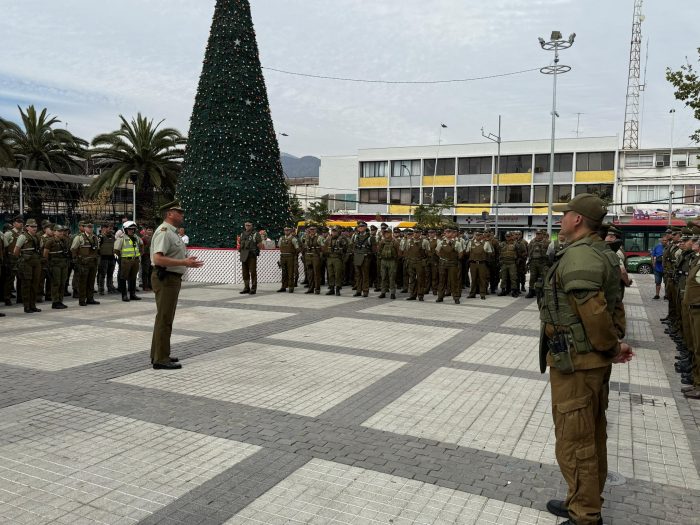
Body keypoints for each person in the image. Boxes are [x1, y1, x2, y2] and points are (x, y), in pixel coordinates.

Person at [539, 193, 632, 525]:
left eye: (565, 214)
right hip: (584, 360)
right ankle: (581, 499)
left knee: (575, 440)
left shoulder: (580, 258)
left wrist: (611, 347)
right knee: (589, 435)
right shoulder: (595, 252)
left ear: (577, 219)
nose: (560, 219)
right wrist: (613, 345)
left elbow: (594, 314)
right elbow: (613, 305)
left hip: (578, 363)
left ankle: (585, 516)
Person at [150, 200, 203, 370]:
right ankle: (160, 359)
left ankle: (159, 354)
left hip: (171, 279)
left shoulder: (173, 233)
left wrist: (184, 262)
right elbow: (157, 258)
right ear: (169, 213)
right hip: (166, 278)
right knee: (164, 319)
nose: (182, 215)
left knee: (165, 318)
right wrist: (184, 262)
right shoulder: (165, 232)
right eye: (179, 212)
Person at [14, 218, 42, 313]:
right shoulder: (23, 237)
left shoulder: (38, 237)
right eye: (32, 226)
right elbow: (16, 250)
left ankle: (33, 305)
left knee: (35, 285)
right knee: (26, 285)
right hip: (26, 263)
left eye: (35, 226)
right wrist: (20, 260)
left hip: (36, 263)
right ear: (27, 227)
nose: (34, 228)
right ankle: (26, 306)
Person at [70, 221, 100, 306]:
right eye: (88, 227)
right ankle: (82, 300)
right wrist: (76, 260)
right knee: (83, 282)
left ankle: (90, 298)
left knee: (91, 281)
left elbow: (97, 249)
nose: (90, 229)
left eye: (91, 227)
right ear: (84, 228)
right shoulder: (79, 237)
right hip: (83, 263)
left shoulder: (95, 237)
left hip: (93, 263)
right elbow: (73, 249)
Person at [43, 224, 71, 309]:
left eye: (62, 231)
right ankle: (55, 301)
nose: (61, 233)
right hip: (55, 265)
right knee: (56, 283)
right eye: (59, 231)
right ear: (54, 232)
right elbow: (45, 254)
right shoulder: (50, 241)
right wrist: (47, 265)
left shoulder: (64, 240)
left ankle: (60, 300)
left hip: (63, 264)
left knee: (62, 283)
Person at [114, 221, 143, 302]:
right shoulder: (122, 238)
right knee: (123, 277)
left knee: (133, 278)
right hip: (126, 260)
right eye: (129, 229)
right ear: (125, 230)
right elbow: (116, 250)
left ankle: (132, 294)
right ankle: (124, 295)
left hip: (135, 260)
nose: (132, 231)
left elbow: (141, 244)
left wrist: (140, 253)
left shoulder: (136, 237)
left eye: (133, 229)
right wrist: (121, 259)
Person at [436, 226, 463, 304]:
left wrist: (453, 258)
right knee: (442, 281)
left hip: (453, 264)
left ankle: (456, 297)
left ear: (452, 233)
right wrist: (443, 257)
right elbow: (437, 251)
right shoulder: (441, 242)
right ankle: (440, 297)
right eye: (446, 232)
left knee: (454, 281)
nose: (447, 234)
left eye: (449, 232)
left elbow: (460, 253)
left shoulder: (457, 243)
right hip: (443, 263)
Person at [401, 228, 429, 301]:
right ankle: (412, 295)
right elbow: (406, 250)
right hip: (411, 262)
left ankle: (420, 295)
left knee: (420, 279)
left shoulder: (424, 241)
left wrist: (424, 261)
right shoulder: (409, 241)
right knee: (412, 279)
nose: (416, 234)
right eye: (414, 233)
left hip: (420, 263)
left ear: (420, 233)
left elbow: (428, 252)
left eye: (417, 232)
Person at [465, 230, 492, 300]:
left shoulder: (486, 243)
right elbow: (467, 252)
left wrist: (485, 259)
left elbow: (490, 253)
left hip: (482, 264)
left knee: (482, 279)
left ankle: (482, 294)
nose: (478, 236)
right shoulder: (470, 243)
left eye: (479, 235)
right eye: (476, 235)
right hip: (473, 264)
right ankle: (472, 294)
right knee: (473, 279)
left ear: (482, 235)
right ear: (474, 235)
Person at [3, 216, 24, 305]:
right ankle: (7, 298)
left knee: (21, 279)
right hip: (11, 260)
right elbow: (4, 246)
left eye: (22, 222)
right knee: (9, 280)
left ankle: (20, 297)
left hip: (21, 259)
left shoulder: (23, 234)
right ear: (14, 223)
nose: (21, 223)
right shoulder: (9, 234)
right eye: (19, 222)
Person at [351, 221, 375, 297]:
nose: (360, 228)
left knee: (365, 275)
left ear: (365, 227)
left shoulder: (370, 237)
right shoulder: (355, 236)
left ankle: (365, 291)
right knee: (358, 275)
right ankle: (358, 290)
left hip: (365, 258)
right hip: (357, 257)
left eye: (362, 226)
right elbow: (353, 246)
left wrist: (368, 255)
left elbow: (374, 249)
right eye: (359, 227)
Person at [239, 220, 262, 294]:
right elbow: (240, 244)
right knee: (244, 273)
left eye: (249, 225)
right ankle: (246, 287)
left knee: (253, 272)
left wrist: (256, 250)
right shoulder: (242, 234)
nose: (247, 226)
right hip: (243, 255)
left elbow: (260, 244)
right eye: (246, 225)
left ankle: (253, 288)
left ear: (252, 226)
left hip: (251, 255)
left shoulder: (256, 234)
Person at [376, 228, 400, 299]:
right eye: (385, 233)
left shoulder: (395, 242)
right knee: (383, 277)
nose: (386, 234)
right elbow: (379, 250)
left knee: (392, 277)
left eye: (388, 233)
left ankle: (392, 293)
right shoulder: (382, 241)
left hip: (392, 261)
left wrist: (396, 260)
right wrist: (381, 257)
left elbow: (398, 252)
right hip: (384, 261)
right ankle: (383, 292)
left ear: (391, 233)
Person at [323, 226, 347, 296]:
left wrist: (342, 256)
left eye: (335, 231)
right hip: (330, 258)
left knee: (338, 274)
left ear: (338, 232)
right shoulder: (328, 239)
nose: (334, 232)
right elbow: (325, 247)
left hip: (337, 258)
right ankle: (331, 288)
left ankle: (338, 289)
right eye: (333, 231)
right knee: (330, 274)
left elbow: (346, 248)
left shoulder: (342, 239)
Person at [526, 230, 550, 298]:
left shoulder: (547, 242)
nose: (538, 235)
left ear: (543, 234)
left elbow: (550, 252)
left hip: (542, 262)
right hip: (533, 262)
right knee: (532, 277)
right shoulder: (532, 241)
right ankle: (531, 291)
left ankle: (541, 291)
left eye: (539, 234)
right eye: (537, 234)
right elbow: (529, 250)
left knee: (542, 277)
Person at [301, 225, 324, 294]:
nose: (312, 231)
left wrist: (321, 256)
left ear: (316, 230)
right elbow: (305, 246)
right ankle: (310, 288)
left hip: (315, 256)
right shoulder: (307, 237)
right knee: (310, 274)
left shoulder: (319, 238)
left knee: (316, 273)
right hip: (308, 256)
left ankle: (317, 289)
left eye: (313, 230)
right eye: (311, 230)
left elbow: (323, 247)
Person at [277, 226, 300, 293]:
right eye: (285, 230)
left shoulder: (293, 239)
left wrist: (294, 255)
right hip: (283, 256)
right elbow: (279, 246)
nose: (286, 232)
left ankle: (291, 287)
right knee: (284, 272)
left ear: (290, 231)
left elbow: (297, 248)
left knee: (290, 272)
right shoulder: (281, 238)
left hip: (290, 256)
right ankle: (283, 286)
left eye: (288, 230)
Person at [97, 223, 117, 295]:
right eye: (109, 228)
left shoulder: (113, 237)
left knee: (110, 274)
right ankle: (101, 289)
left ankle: (110, 288)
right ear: (104, 228)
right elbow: (97, 247)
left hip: (112, 257)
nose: (111, 229)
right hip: (103, 258)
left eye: (111, 228)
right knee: (102, 274)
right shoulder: (101, 237)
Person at [651, 235, 666, 300]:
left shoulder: (669, 247)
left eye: (666, 240)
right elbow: (652, 255)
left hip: (666, 268)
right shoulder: (657, 246)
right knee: (657, 282)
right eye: (663, 240)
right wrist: (652, 263)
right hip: (657, 268)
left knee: (667, 283)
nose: (664, 241)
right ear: (661, 240)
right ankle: (657, 295)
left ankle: (666, 295)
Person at [141, 226, 154, 292]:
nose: (150, 231)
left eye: (151, 230)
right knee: (145, 272)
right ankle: (145, 286)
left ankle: (150, 285)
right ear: (146, 230)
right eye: (149, 230)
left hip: (152, 256)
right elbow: (142, 248)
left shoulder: (154, 238)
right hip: (145, 256)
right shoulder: (143, 238)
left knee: (151, 272)